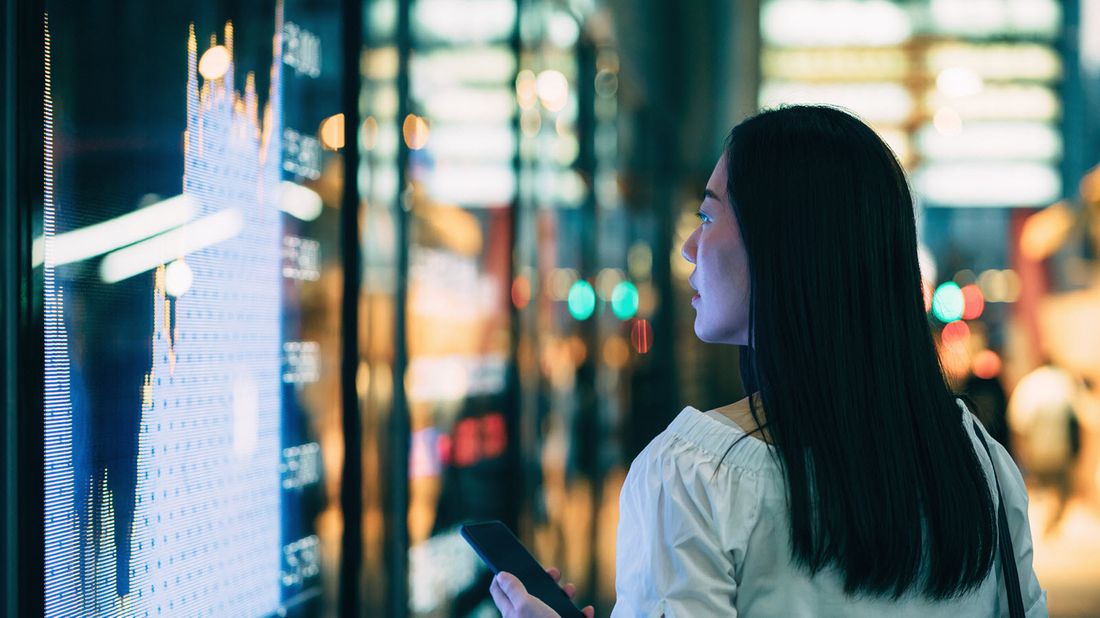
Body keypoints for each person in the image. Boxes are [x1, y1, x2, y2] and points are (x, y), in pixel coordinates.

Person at [489, 105, 1047, 617]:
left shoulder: (692, 477)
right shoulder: (980, 463)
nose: (688, 249)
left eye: (707, 219)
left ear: (781, 245)